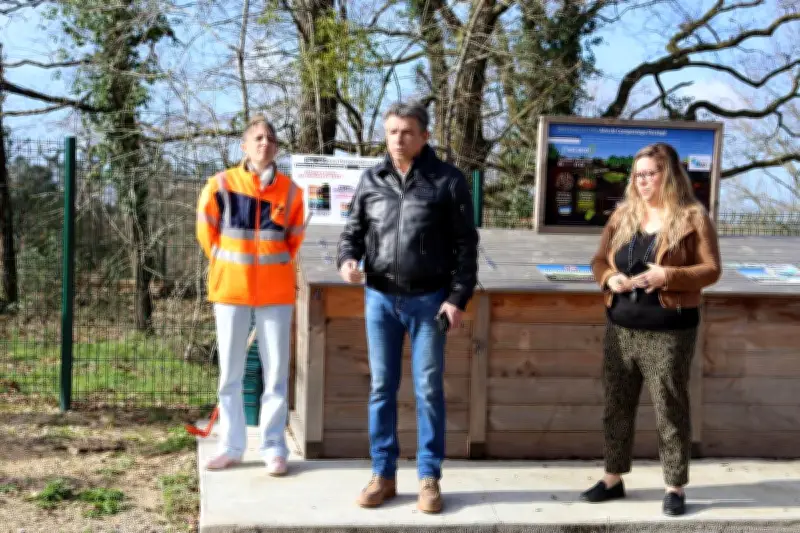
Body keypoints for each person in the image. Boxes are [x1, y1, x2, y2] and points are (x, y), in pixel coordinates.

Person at [337, 101, 479, 513]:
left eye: (407, 132)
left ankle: (429, 477)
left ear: (424, 137)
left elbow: (466, 246)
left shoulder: (447, 181)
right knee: (381, 387)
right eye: (392, 131)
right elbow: (352, 233)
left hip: (430, 302)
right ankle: (382, 475)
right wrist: (347, 261)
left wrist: (457, 298)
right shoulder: (371, 179)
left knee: (428, 390)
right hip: (379, 299)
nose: (398, 139)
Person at [584, 142, 722, 516]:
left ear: (669, 175)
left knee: (669, 408)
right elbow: (598, 261)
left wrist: (668, 275)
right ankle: (613, 478)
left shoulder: (693, 217)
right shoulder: (623, 215)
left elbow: (711, 270)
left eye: (650, 174)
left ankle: (674, 486)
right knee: (616, 406)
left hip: (669, 330)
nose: (642, 181)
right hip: (620, 326)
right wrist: (609, 278)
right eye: (638, 175)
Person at [196, 114, 306, 476]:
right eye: (258, 138)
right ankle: (231, 447)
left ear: (277, 148)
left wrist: (273, 268)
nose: (264, 143)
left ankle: (274, 449)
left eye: (270, 139)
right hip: (230, 289)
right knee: (230, 372)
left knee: (276, 374)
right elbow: (206, 233)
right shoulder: (221, 184)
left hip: (276, 292)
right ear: (244, 146)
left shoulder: (291, 192)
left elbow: (294, 240)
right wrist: (227, 264)